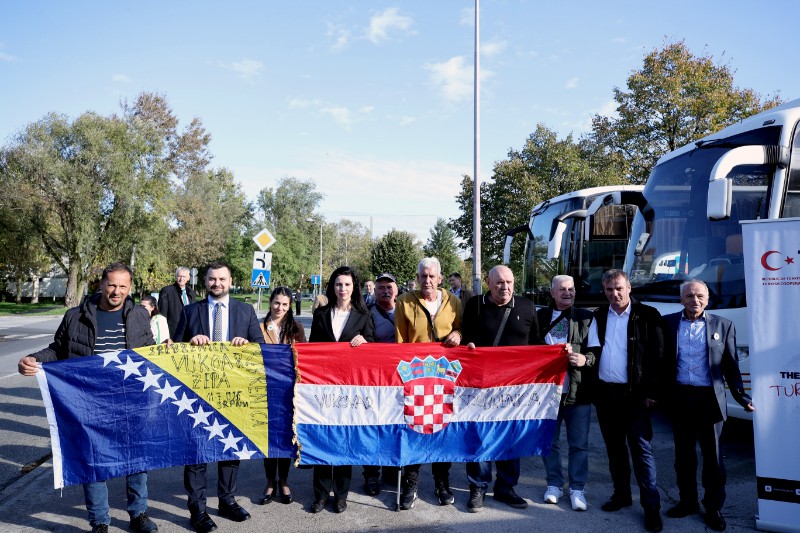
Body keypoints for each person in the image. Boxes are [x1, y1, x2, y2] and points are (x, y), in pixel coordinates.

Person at [18, 263, 158, 533]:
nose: (116, 291)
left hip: (130, 401)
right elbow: (58, 349)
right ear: (101, 284)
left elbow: (149, 351)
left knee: (136, 459)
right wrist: (34, 359)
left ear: (130, 288)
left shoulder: (140, 315)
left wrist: (165, 353)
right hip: (89, 403)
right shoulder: (75, 316)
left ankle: (138, 514)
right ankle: (100, 522)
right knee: (94, 462)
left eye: (122, 286)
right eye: (111, 285)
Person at [174, 261, 265, 533]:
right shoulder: (190, 312)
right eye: (212, 279)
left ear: (230, 280)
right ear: (205, 282)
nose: (217, 284)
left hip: (233, 392)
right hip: (197, 393)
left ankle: (226, 500)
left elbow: (260, 348)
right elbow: (173, 351)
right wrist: (189, 344)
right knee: (197, 453)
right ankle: (198, 510)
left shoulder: (246, 310)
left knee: (230, 448)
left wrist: (247, 345)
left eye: (222, 279)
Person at [662, 280, 755, 531]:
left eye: (700, 295)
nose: (695, 300)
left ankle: (713, 507)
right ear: (681, 299)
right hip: (680, 398)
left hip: (709, 401)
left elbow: (731, 367)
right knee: (684, 457)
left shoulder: (724, 325)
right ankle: (688, 502)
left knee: (713, 458)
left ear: (708, 299)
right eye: (689, 295)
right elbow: (659, 362)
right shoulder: (668, 323)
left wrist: (742, 398)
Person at [592, 269, 664, 532]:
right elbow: (593, 352)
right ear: (604, 291)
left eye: (619, 288)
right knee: (615, 449)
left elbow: (659, 359)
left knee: (641, 450)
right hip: (606, 395)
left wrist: (652, 393)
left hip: (635, 396)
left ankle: (652, 507)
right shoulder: (599, 315)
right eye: (609, 290)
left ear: (629, 287)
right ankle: (621, 495)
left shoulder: (648, 316)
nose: (615, 294)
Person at [462, 265, 539, 512]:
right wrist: (468, 345)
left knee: (509, 437)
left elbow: (537, 346)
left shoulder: (527, 306)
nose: (504, 287)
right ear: (488, 282)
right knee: (481, 437)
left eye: (509, 282)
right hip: (481, 387)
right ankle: (478, 487)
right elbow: (464, 341)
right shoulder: (474, 305)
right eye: (499, 283)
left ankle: (505, 487)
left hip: (514, 389)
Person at [395, 257, 462, 510]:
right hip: (416, 377)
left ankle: (441, 482)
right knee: (414, 427)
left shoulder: (453, 301)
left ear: (440, 278)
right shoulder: (404, 302)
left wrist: (459, 333)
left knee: (442, 429)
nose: (427, 281)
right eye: (423, 276)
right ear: (417, 277)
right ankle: (411, 483)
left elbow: (461, 329)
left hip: (444, 377)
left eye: (432, 276)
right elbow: (400, 342)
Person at [307, 266, 374, 514]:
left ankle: (341, 495)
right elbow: (313, 348)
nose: (342, 289)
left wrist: (366, 342)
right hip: (324, 386)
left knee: (344, 440)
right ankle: (321, 495)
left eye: (346, 284)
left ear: (353, 287)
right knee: (323, 439)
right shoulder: (322, 313)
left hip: (349, 388)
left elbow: (374, 347)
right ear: (332, 287)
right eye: (338, 284)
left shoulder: (363, 314)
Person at [537, 275, 600, 512]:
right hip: (548, 392)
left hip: (577, 391)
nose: (567, 293)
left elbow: (595, 351)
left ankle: (577, 488)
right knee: (549, 442)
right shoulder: (541, 316)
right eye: (562, 289)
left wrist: (586, 359)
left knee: (579, 444)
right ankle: (554, 484)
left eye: (571, 289)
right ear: (552, 293)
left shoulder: (586, 317)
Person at [258, 287, 305, 506]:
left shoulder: (296, 328)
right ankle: (270, 481)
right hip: (266, 389)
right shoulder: (258, 327)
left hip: (288, 389)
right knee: (268, 436)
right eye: (277, 303)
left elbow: (304, 355)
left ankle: (284, 480)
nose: (280, 308)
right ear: (270, 302)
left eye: (285, 305)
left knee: (286, 436)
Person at [362, 272, 401, 495]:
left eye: (389, 287)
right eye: (381, 288)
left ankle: (392, 468)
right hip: (376, 379)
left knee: (396, 426)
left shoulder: (406, 311)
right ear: (374, 291)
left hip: (400, 380)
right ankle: (371, 474)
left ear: (396, 290)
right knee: (374, 426)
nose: (385, 291)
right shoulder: (367, 314)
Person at [158, 267, 195, 339]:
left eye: (184, 276)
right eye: (179, 276)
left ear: (188, 278)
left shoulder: (191, 292)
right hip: (173, 332)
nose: (181, 279)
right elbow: (162, 314)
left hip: (189, 332)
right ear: (176, 277)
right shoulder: (167, 291)